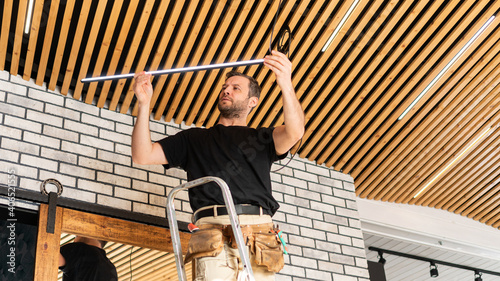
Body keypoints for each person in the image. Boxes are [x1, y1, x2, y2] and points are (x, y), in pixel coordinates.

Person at [132, 50, 305, 280]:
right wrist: (144, 104)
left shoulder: (263, 139)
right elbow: (142, 155)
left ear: (252, 101)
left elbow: (295, 131)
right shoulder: (193, 139)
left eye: (236, 88)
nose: (226, 90)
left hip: (259, 234)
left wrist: (285, 82)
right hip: (212, 232)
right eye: (225, 86)